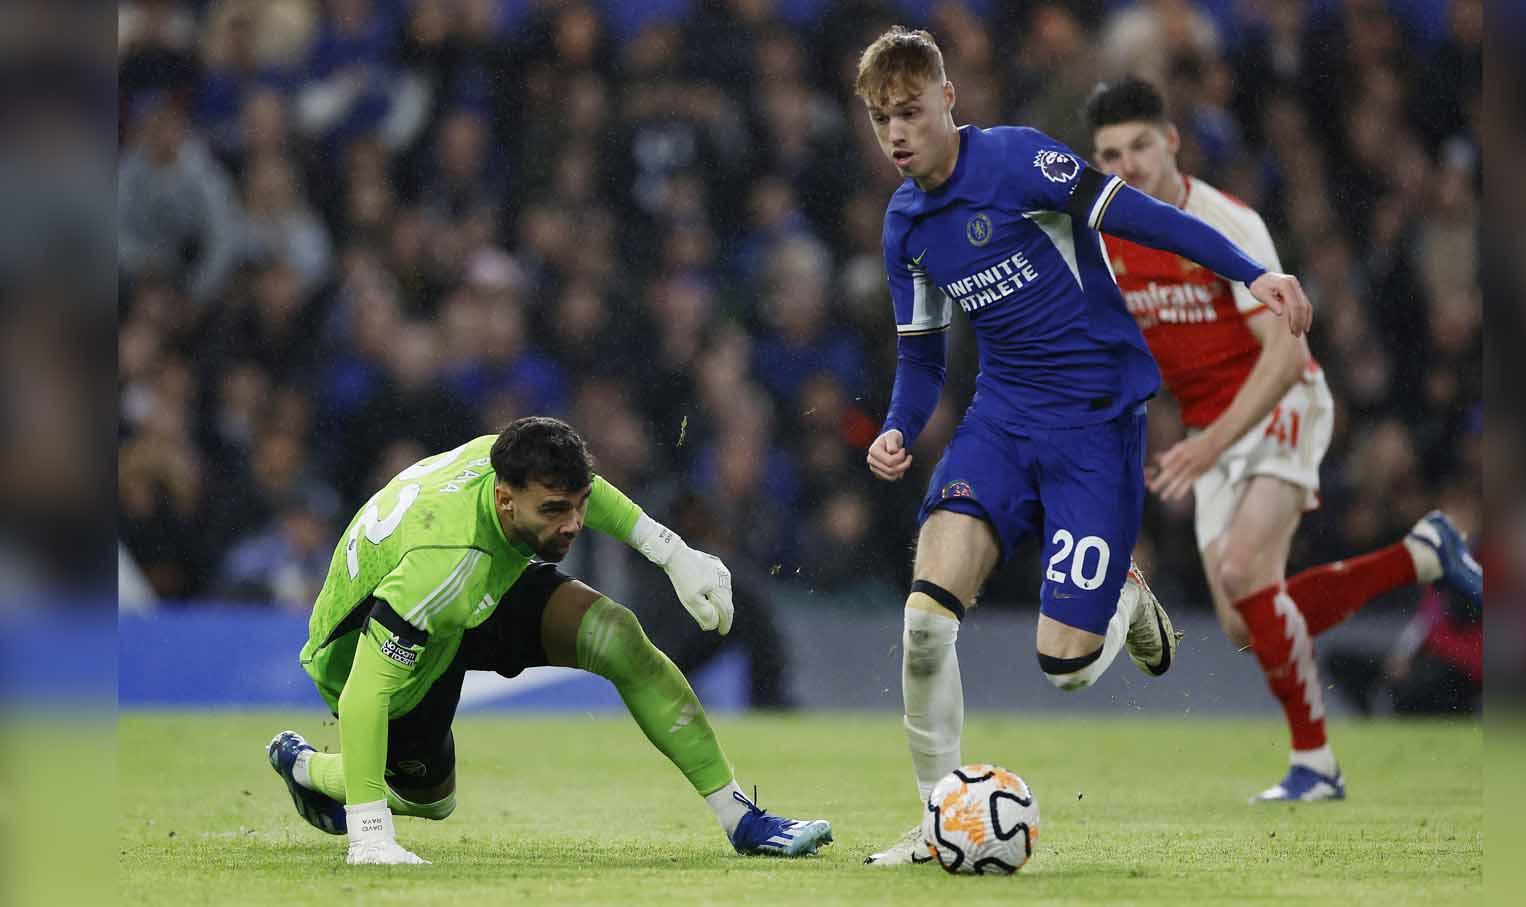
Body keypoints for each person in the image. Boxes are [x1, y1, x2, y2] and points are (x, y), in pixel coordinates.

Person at [853, 28, 1313, 865]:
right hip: (999, 419)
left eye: (910, 112)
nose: (896, 134)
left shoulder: (1020, 162)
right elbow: (921, 356)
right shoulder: (905, 226)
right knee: (924, 625)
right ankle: (938, 821)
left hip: (1095, 425)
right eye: (882, 117)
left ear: (949, 101)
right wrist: (896, 426)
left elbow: (1137, 214)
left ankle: (1124, 597)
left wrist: (1251, 272)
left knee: (1063, 667)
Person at [1085, 77, 1482, 802]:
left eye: (1140, 145)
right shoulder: (1107, 241)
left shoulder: (1225, 223)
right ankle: (1420, 554)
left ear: (1172, 141)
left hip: (1281, 401)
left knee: (1242, 567)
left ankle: (1316, 763)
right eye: (1109, 155)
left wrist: (1210, 445)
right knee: (1244, 621)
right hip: (1213, 429)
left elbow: (1285, 354)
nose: (1127, 167)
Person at [264, 416, 831, 864]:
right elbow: (365, 691)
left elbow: (584, 490)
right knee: (430, 801)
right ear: (507, 500)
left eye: (576, 505)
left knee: (617, 637)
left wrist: (673, 553)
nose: (573, 523)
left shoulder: (510, 464)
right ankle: (308, 768)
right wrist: (369, 835)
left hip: (475, 583)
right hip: (372, 647)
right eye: (555, 511)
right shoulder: (441, 564)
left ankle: (741, 820)